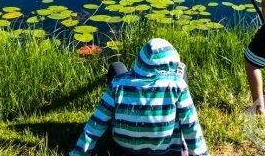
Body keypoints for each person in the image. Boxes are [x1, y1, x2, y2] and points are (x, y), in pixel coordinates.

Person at [70, 38, 208, 156]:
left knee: (117, 67)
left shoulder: (118, 84)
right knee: (181, 74)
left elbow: (96, 123)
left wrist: (78, 153)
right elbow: (191, 126)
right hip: (165, 150)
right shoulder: (177, 85)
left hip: (125, 146)